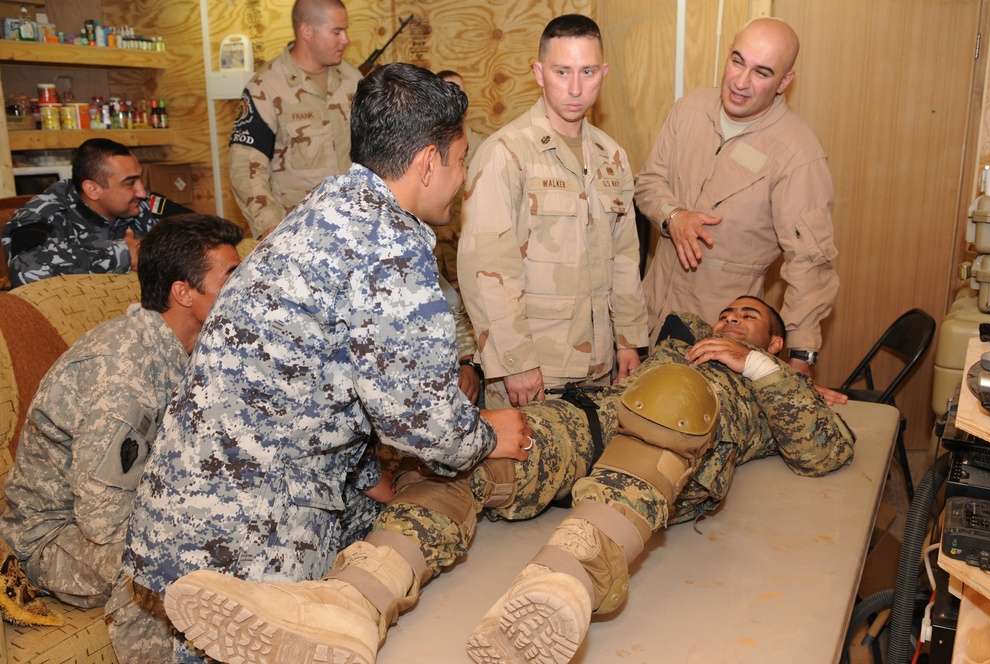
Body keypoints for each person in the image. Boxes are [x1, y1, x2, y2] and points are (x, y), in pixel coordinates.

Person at [158, 295, 855, 664]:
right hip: (591, 424)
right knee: (462, 457)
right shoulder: (681, 342)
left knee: (673, 388)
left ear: (770, 342)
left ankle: (563, 583)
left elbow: (825, 452)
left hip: (673, 449)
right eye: (727, 311)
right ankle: (352, 602)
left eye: (749, 318)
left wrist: (759, 366)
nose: (731, 319)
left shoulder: (771, 386)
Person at [123, 62, 532, 662]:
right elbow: (419, 417)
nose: (463, 178)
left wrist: (368, 479)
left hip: (190, 510)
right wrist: (484, 436)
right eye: (460, 158)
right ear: (427, 162)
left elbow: (312, 378)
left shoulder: (327, 209)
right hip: (252, 537)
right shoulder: (388, 248)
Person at [0, 214, 243, 662]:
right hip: (54, 537)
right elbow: (104, 522)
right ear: (183, 292)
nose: (246, 288)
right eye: (232, 276)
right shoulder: (124, 373)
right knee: (185, 553)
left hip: (118, 512)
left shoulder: (191, 347)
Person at [635, 17, 840, 387]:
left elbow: (810, 265)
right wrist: (674, 215)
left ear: (785, 82)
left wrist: (800, 359)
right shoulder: (689, 110)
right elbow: (648, 183)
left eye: (762, 72)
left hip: (720, 339)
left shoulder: (798, 154)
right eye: (737, 61)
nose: (741, 82)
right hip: (649, 315)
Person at [458, 15, 647, 410]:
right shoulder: (505, 152)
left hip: (601, 366)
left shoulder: (612, 157)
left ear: (603, 72)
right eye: (562, 71)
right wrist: (516, 362)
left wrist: (629, 340)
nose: (575, 88)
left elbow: (626, 256)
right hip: (535, 371)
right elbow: (486, 266)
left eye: (588, 72)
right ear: (539, 73)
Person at [229, 0, 362, 239]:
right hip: (299, 233)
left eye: (346, 30)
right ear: (306, 31)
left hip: (354, 226)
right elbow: (247, 169)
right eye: (337, 32)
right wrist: (271, 229)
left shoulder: (352, 79)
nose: (346, 39)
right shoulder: (266, 88)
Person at [1, 138, 192, 287]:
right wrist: (124, 255)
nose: (142, 192)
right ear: (92, 189)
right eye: (129, 183)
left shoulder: (143, 204)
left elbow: (205, 234)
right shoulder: (43, 214)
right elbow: (24, 269)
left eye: (140, 180)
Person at [432, 69, 487, 291]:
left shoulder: (486, 148)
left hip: (470, 263)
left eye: (459, 93)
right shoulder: (422, 153)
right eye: (447, 93)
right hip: (434, 266)